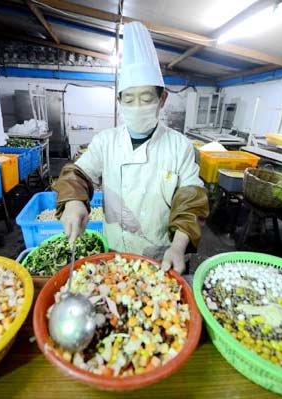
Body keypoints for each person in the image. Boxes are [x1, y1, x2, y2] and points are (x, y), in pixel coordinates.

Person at [53, 22, 209, 274]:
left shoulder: (179, 145)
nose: (137, 107)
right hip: (115, 251)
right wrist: (73, 201)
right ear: (119, 102)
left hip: (164, 256)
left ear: (162, 99)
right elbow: (78, 173)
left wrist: (179, 246)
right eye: (129, 99)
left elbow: (191, 202)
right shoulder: (106, 141)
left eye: (146, 99)